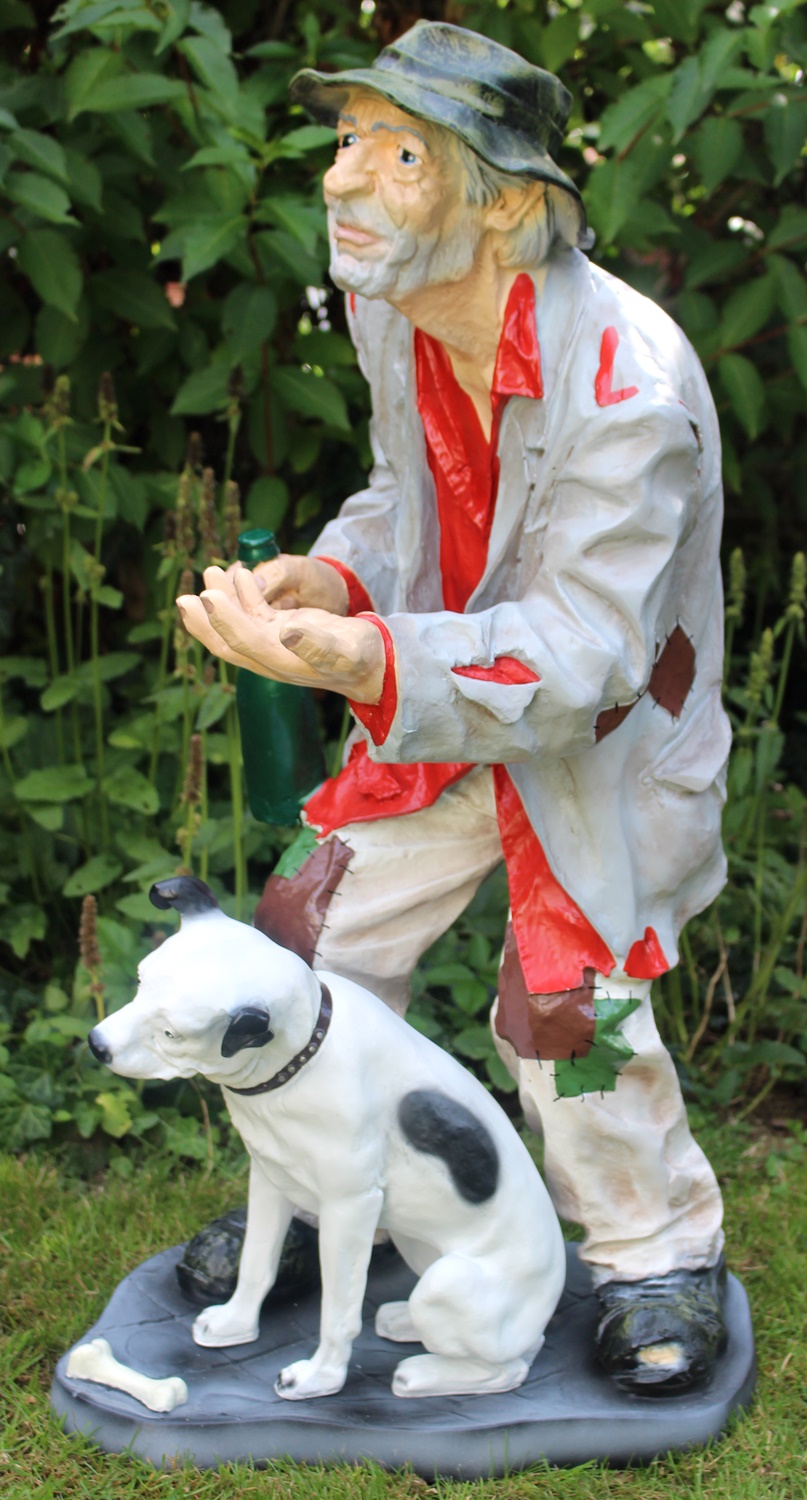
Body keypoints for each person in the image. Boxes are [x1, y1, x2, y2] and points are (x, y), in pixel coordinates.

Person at [178, 20, 732, 1394]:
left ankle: (655, 1252)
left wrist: (365, 664)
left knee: (571, 1011)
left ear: (510, 206)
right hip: (448, 714)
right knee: (312, 938)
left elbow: (591, 652)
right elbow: (405, 501)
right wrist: (333, 571)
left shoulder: (627, 386)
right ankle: (317, 1199)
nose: (341, 178)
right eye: (349, 138)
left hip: (595, 745)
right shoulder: (396, 310)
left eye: (400, 151)